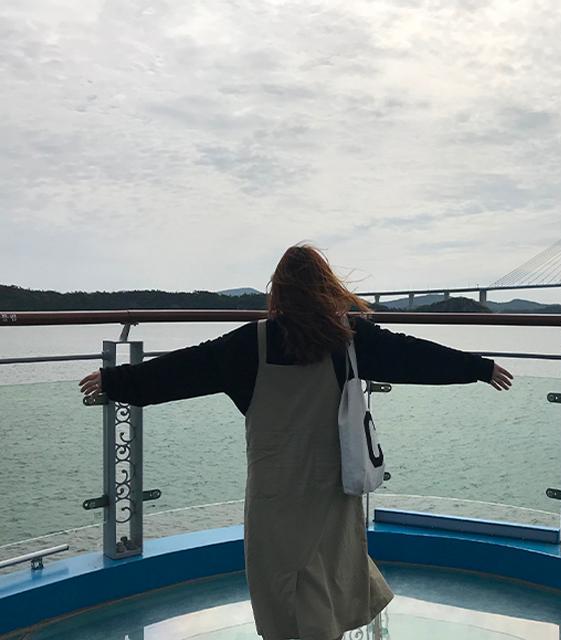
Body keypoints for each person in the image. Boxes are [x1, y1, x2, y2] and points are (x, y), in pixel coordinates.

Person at [79, 244, 513, 640]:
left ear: (279, 292)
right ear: (327, 288)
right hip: (330, 490)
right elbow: (412, 355)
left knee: (283, 597)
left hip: (274, 496)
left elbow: (183, 369)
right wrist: (478, 367)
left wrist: (116, 380)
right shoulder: (349, 339)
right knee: (326, 584)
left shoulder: (250, 343)